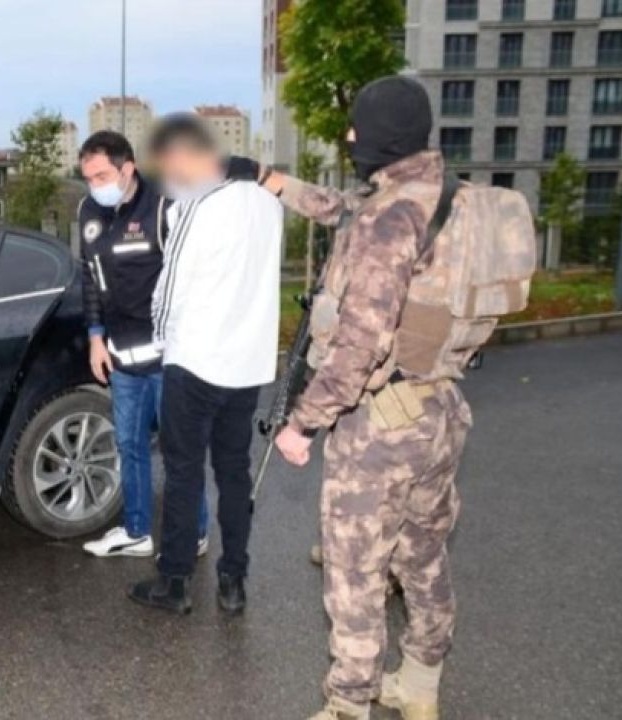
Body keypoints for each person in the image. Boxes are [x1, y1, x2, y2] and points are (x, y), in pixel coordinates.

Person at [264, 76, 469, 720]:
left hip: (381, 429)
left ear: (382, 133)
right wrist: (270, 180)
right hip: (440, 410)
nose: (350, 136)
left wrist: (303, 423)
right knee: (424, 557)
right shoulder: (445, 195)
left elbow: (360, 344)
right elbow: (336, 207)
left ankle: (348, 705)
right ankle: (420, 687)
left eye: (357, 126)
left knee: (355, 573)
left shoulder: (389, 219)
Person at [126, 115, 282, 615]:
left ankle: (174, 582)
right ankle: (233, 581)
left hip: (195, 359)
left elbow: (170, 285)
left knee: (183, 472)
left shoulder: (198, 204)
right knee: (234, 472)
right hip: (248, 362)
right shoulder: (269, 204)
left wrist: (161, 340)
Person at [76, 130, 210, 560]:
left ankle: (193, 533)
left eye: (101, 176)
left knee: (178, 451)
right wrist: (95, 338)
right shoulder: (88, 212)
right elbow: (90, 277)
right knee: (129, 446)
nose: (95, 186)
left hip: (169, 358)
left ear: (128, 169)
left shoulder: (165, 206)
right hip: (121, 357)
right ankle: (136, 531)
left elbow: (193, 282)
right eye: (88, 178)